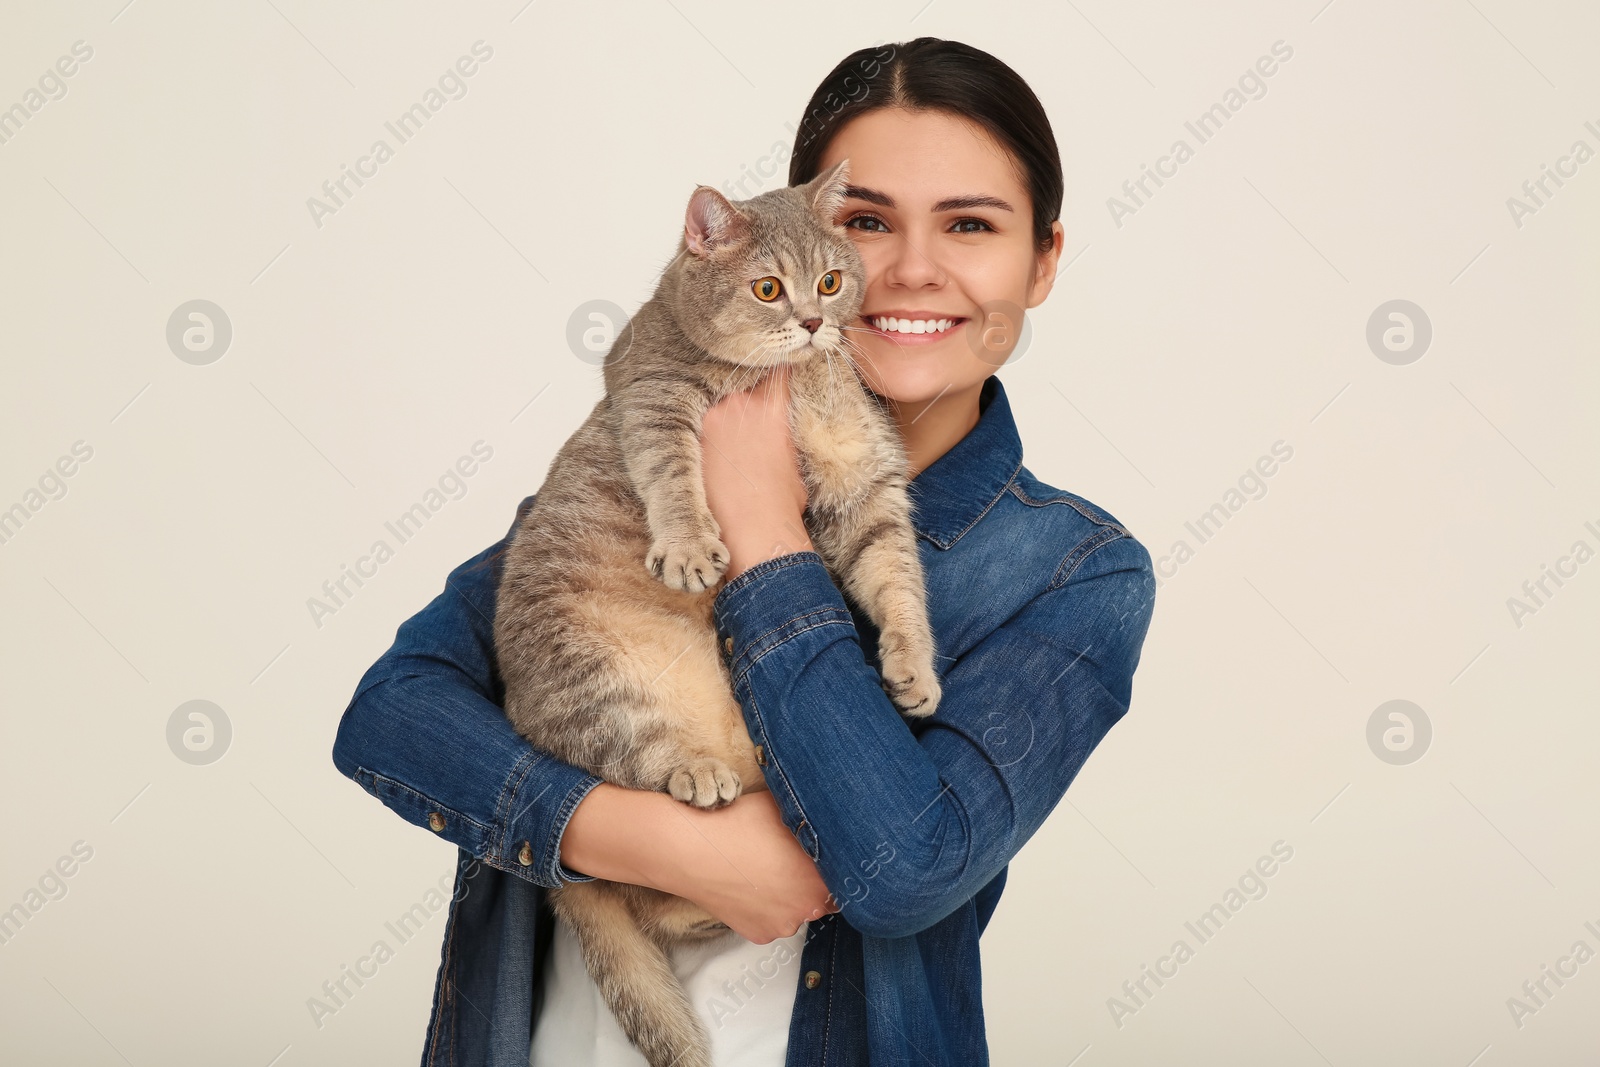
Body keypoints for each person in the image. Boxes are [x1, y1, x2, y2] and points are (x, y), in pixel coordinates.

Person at [332, 36, 1157, 1067]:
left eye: (970, 225)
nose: (904, 270)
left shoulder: (1072, 571)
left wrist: (766, 533)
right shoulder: (640, 448)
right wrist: (652, 838)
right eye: (864, 222)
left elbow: (902, 870)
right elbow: (391, 713)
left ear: (1041, 261)